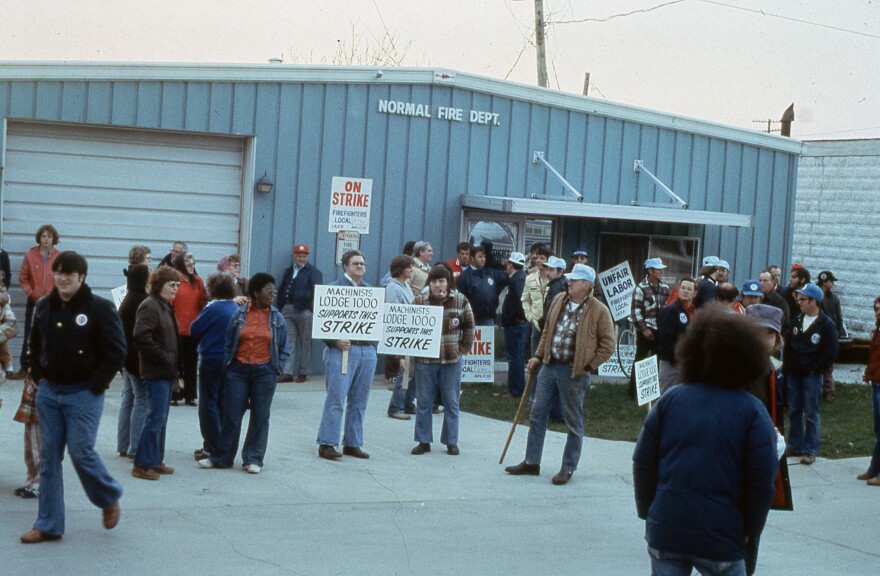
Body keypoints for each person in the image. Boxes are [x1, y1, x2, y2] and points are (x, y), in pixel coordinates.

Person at [633, 306, 779, 576]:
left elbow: (643, 461)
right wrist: (751, 529)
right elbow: (762, 481)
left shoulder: (670, 400)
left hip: (666, 528)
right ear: (749, 358)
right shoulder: (754, 412)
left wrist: (648, 512)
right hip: (722, 537)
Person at [20, 251, 126, 544]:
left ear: (82, 277)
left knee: (81, 451)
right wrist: (39, 375)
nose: (63, 278)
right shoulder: (44, 308)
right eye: (59, 272)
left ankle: (108, 497)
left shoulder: (101, 309)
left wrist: (95, 385)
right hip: (50, 393)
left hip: (83, 394)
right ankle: (48, 524)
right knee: (49, 460)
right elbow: (35, 345)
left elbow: (116, 352)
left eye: (70, 273)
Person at [505, 264, 615, 485]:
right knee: (537, 413)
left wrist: (587, 365)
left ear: (586, 285)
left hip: (573, 372)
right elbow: (547, 331)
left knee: (573, 420)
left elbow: (608, 345)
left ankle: (568, 467)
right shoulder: (559, 300)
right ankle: (532, 461)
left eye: (574, 280)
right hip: (549, 365)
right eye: (570, 279)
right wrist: (538, 356)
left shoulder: (598, 310)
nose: (569, 283)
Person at [199, 273, 289, 474]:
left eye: (274, 290)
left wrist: (277, 369)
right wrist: (228, 365)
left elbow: (284, 347)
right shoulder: (239, 314)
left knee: (260, 415)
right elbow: (228, 341)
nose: (273, 294)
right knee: (231, 415)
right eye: (268, 290)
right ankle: (222, 458)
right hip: (238, 370)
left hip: (265, 372)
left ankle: (253, 459)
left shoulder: (277, 318)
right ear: (256, 293)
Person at [316, 250, 378, 460]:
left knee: (360, 400)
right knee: (337, 397)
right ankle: (327, 442)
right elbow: (322, 322)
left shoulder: (371, 292)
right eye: (355, 263)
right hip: (341, 350)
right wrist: (334, 341)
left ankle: (353, 442)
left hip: (367, 349)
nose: (360, 266)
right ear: (345, 267)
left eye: (362, 263)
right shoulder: (333, 290)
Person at [411, 265, 475, 456]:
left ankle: (451, 440)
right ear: (429, 283)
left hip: (451, 360)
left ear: (448, 283)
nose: (438, 285)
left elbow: (469, 326)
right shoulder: (419, 301)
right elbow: (408, 327)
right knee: (423, 401)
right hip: (425, 361)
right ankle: (423, 441)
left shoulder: (460, 301)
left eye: (441, 281)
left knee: (451, 401)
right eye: (434, 281)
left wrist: (463, 347)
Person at [131, 266, 182, 481]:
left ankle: (155, 461)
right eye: (172, 285)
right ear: (159, 285)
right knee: (155, 418)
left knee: (161, 418)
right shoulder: (150, 306)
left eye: (178, 286)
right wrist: (163, 357)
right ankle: (142, 464)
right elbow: (141, 337)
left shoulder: (164, 306)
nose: (175, 289)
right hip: (156, 371)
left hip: (165, 371)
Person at [746, 304, 794, 514]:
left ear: (777, 340)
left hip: (760, 455)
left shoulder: (770, 368)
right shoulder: (737, 366)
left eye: (769, 333)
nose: (762, 339)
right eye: (756, 332)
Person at [785, 283, 839, 465]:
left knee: (811, 412)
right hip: (795, 373)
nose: (799, 302)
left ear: (814, 302)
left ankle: (810, 449)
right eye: (798, 299)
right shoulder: (797, 321)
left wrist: (815, 368)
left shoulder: (826, 324)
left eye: (803, 299)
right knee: (794, 410)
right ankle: (794, 445)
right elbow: (789, 346)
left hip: (811, 375)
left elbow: (830, 352)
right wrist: (789, 365)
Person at [190, 273, 240, 461]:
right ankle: (220, 443)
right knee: (222, 402)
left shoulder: (212, 309)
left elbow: (195, 330)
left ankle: (210, 445)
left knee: (208, 403)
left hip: (211, 358)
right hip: (229, 360)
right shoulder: (235, 308)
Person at [116, 263, 150, 460]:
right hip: (135, 359)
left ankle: (123, 444)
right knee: (141, 400)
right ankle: (135, 447)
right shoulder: (141, 301)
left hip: (126, 358)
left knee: (128, 399)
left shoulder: (128, 299)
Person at [16, 224, 60, 378]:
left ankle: (46, 366)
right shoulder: (30, 255)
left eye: (49, 236)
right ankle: (24, 366)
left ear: (54, 239)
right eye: (43, 236)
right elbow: (23, 277)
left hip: (51, 301)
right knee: (29, 332)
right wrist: (31, 292)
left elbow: (61, 278)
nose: (46, 239)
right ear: (39, 238)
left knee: (50, 332)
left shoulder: (58, 257)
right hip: (34, 300)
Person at [275, 244, 323, 383]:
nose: (302, 258)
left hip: (304, 311)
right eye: (299, 256)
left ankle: (304, 372)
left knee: (306, 341)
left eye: (304, 256)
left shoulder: (313, 272)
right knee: (288, 341)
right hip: (288, 309)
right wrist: (281, 306)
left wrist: (312, 309)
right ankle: (287, 372)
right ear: (294, 256)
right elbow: (282, 288)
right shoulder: (289, 271)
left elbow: (317, 291)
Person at [630, 258, 670, 396]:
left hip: (661, 330)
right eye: (658, 269)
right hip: (646, 330)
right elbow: (635, 311)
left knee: (659, 359)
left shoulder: (665, 288)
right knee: (640, 359)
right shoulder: (640, 288)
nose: (661, 271)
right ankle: (634, 392)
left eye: (661, 269)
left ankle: (653, 391)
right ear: (650, 271)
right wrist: (644, 329)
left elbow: (667, 308)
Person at [171, 252, 206, 406]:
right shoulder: (174, 282)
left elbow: (202, 304)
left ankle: (190, 394)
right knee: (176, 362)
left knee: (191, 362)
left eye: (193, 264)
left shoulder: (198, 282)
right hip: (176, 329)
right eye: (188, 264)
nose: (192, 266)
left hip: (192, 329)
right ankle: (175, 393)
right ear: (180, 265)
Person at [385, 255, 416, 420]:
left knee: (413, 371)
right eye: (409, 266)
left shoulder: (406, 286)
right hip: (402, 334)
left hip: (411, 332)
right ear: (400, 269)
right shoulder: (393, 287)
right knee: (405, 371)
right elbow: (393, 314)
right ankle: (396, 406)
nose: (412, 269)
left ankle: (408, 403)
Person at [657, 277, 696, 394]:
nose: (685, 291)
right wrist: (678, 359)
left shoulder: (695, 312)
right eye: (683, 288)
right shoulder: (669, 311)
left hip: (688, 364)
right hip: (671, 364)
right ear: (678, 290)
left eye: (689, 289)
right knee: (667, 396)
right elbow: (665, 340)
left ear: (695, 293)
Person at [857, 296, 880, 486]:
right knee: (878, 429)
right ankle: (874, 469)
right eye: (876, 309)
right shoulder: (878, 331)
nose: (878, 312)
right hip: (876, 382)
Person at [456, 245, 509, 326]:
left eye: (484, 256)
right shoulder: (464, 277)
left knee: (487, 339)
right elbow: (459, 299)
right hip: (471, 318)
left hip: (488, 318)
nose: (483, 259)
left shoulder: (490, 273)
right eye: (480, 257)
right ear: (472, 258)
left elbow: (506, 279)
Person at [501, 252, 529, 397]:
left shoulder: (517, 279)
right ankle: (517, 388)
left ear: (511, 264)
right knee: (517, 356)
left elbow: (520, 299)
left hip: (515, 324)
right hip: (515, 323)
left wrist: (519, 317)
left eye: (507, 264)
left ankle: (515, 390)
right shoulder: (520, 277)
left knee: (515, 357)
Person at [816, 270, 844, 402]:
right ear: (824, 281)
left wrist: (837, 333)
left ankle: (829, 393)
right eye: (831, 281)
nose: (832, 284)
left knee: (828, 366)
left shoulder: (834, 299)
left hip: (829, 336)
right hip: (817, 334)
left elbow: (839, 317)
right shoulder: (815, 297)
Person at [521, 244, 550, 357]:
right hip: (536, 324)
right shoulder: (530, 278)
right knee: (534, 358)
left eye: (542, 258)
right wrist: (530, 317)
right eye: (537, 258)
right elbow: (525, 299)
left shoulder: (553, 278)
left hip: (550, 324)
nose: (538, 260)